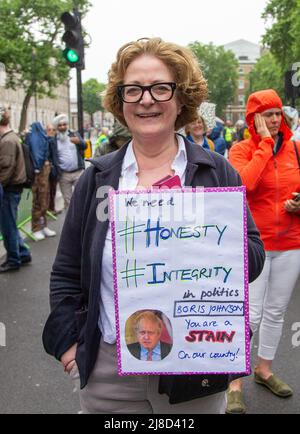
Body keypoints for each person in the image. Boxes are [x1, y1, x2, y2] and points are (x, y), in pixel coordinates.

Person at [43, 37, 265, 414]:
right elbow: (66, 272)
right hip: (109, 371)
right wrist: (69, 346)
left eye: (160, 87)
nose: (146, 99)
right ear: (121, 100)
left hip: (194, 366)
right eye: (134, 89)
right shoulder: (97, 178)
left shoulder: (215, 171)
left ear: (181, 98)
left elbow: (254, 256)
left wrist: (202, 238)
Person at [227, 89, 300, 414]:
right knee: (249, 314)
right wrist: (265, 145)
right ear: (253, 119)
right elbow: (242, 185)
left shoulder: (296, 150)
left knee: (275, 311)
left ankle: (264, 368)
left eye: (276, 114)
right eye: (266, 114)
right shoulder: (241, 149)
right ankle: (234, 381)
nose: (273, 119)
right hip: (254, 244)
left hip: (291, 243)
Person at [0, 107, 31, 272]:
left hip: (9, 189)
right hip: (13, 188)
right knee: (10, 224)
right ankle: (23, 252)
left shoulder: (7, 141)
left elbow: (6, 168)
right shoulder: (12, 138)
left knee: (8, 226)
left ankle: (13, 259)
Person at [25, 122, 56, 241]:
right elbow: (37, 153)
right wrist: (38, 167)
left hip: (42, 171)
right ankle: (36, 227)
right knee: (38, 200)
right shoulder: (35, 137)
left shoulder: (39, 137)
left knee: (44, 199)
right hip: (37, 173)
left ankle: (43, 226)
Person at [52, 114, 87, 209]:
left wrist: (79, 142)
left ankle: (82, 221)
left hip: (78, 172)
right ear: (57, 127)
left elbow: (85, 146)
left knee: (81, 197)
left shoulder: (74, 134)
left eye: (64, 124)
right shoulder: (54, 140)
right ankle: (72, 222)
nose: (62, 127)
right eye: (60, 125)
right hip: (64, 175)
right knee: (68, 202)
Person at [46, 124, 61, 215]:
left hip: (55, 169)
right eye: (49, 129)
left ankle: (52, 207)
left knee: (53, 190)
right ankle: (50, 208)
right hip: (50, 169)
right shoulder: (47, 141)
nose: (51, 131)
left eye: (53, 130)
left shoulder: (55, 140)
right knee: (49, 190)